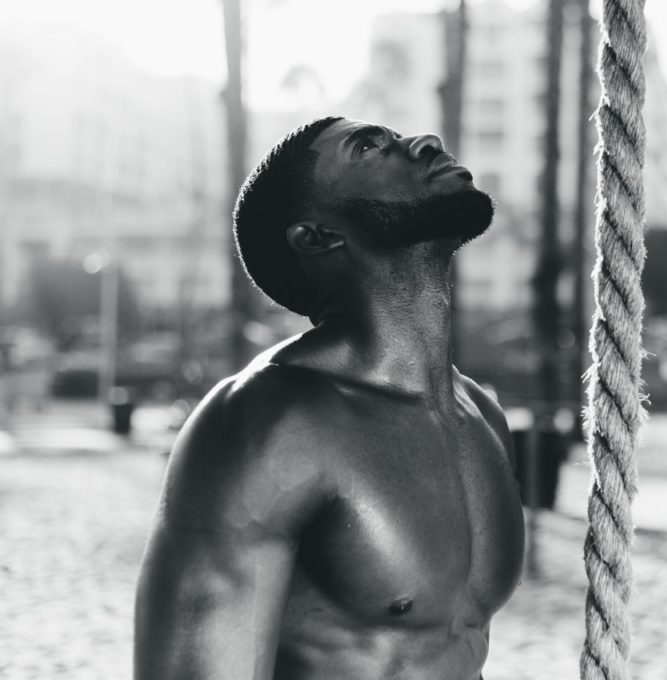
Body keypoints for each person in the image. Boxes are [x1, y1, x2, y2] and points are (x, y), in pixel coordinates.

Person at [134, 117, 525, 680]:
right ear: (316, 236)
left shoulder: (478, 414)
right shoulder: (264, 421)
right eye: (368, 147)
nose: (424, 143)